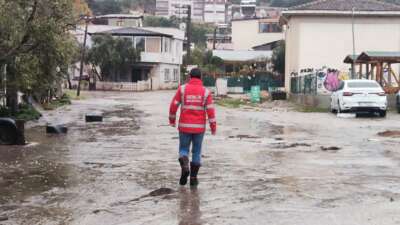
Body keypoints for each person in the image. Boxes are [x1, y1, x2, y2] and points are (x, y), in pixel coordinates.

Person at [169, 68, 216, 186]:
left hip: (184, 126)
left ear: (190, 76)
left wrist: (172, 119)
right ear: (201, 77)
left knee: (183, 149)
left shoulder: (183, 89)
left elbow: (174, 105)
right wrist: (213, 126)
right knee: (196, 151)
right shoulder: (206, 92)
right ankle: (193, 178)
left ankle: (185, 165)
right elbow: (210, 111)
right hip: (199, 128)